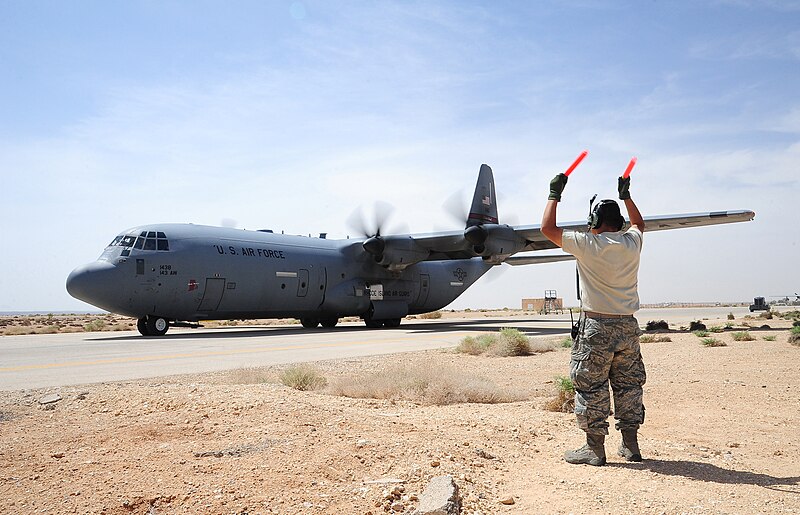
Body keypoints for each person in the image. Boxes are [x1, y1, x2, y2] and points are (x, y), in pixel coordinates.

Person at [540, 171, 646, 466]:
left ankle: (594, 449)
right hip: (627, 325)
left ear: (595, 223)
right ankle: (631, 446)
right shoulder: (632, 244)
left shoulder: (587, 244)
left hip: (597, 326)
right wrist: (627, 196)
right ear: (619, 223)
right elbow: (639, 224)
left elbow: (547, 227)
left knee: (591, 386)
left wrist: (554, 195)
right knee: (629, 386)